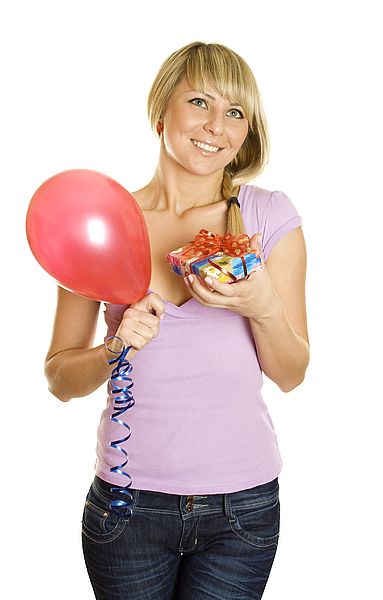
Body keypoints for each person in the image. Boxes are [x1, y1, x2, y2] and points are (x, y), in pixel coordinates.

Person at [44, 41, 309, 600]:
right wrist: (114, 347)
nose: (216, 126)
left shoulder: (267, 216)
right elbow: (60, 380)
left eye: (235, 112)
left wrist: (260, 305)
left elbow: (291, 373)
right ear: (161, 109)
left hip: (244, 507)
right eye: (200, 102)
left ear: (247, 131)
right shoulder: (103, 222)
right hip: (127, 507)